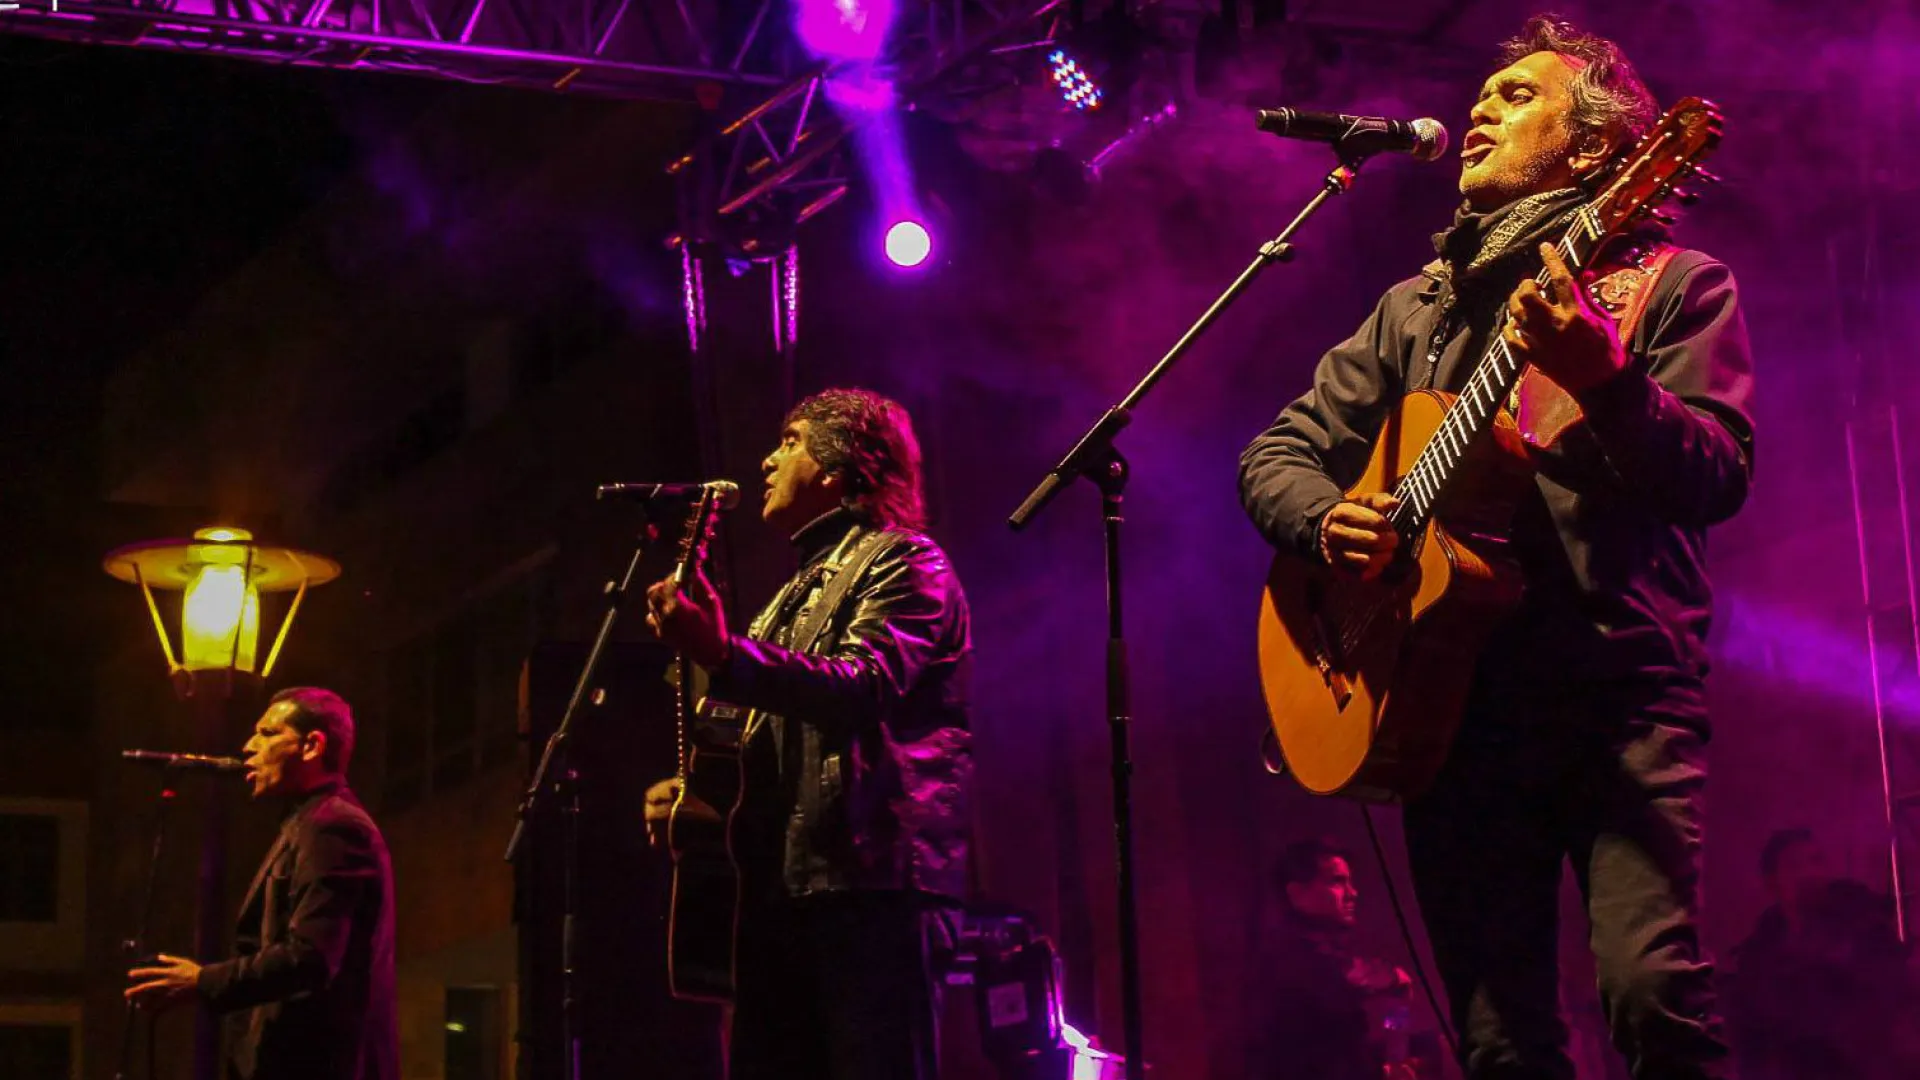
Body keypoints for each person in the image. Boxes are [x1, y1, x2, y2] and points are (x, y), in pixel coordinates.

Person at [1239, 15, 1754, 1079]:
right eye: (1482, 94)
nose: (1481, 108)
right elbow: (1279, 451)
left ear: (1604, 153)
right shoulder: (1416, 308)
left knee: (1651, 998)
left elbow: (1717, 473)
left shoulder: (1671, 284)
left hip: (1616, 696)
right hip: (1447, 705)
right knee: (1498, 1042)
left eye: (1519, 97)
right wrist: (1320, 521)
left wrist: (1608, 382)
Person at [643, 387, 973, 1080]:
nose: (767, 459)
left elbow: (862, 685)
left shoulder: (907, 562)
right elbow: (757, 733)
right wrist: (696, 798)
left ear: (838, 464)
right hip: (783, 894)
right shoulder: (792, 595)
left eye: (789, 440)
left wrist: (724, 654)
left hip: (871, 887)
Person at [125, 687, 398, 1080]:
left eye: (267, 734)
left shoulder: (334, 828)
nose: (248, 746)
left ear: (311, 746)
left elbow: (312, 956)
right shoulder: (310, 825)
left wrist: (203, 980)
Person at [1726, 828, 1919, 1079]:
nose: (1809, 873)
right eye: (1794, 865)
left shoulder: (1863, 927)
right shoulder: (1759, 959)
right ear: (1772, 881)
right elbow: (1752, 1043)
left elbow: (1894, 1000)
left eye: (1816, 860)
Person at [1246, 838, 1416, 1080]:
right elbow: (1345, 979)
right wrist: (1393, 979)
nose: (1353, 893)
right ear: (1296, 893)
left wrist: (1395, 1058)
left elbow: (1397, 990)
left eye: (1350, 882)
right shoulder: (1287, 954)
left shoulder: (1324, 952)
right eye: (1337, 881)